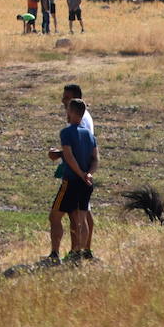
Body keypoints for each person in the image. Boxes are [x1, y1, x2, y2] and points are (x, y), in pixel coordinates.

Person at [46, 84, 95, 262]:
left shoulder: (73, 128)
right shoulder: (86, 125)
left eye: (66, 99)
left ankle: (62, 253)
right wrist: (88, 173)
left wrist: (58, 154)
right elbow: (92, 153)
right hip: (85, 177)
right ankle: (82, 252)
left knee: (66, 217)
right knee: (82, 215)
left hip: (75, 177)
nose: (63, 101)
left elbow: (74, 152)